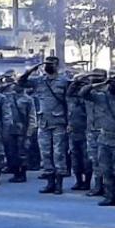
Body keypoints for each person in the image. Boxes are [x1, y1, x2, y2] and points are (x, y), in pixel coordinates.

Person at [19, 57, 70, 194]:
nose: (48, 66)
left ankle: (59, 183)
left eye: (50, 64)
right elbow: (21, 82)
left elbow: (69, 102)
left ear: (57, 65)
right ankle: (50, 182)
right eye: (46, 63)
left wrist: (69, 122)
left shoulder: (64, 81)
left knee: (59, 153)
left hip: (59, 122)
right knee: (45, 153)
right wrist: (30, 70)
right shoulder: (39, 80)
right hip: (43, 122)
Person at [79, 74, 115, 207]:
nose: (112, 86)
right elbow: (83, 93)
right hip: (104, 140)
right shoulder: (103, 97)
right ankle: (109, 197)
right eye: (111, 83)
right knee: (106, 170)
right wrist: (98, 84)